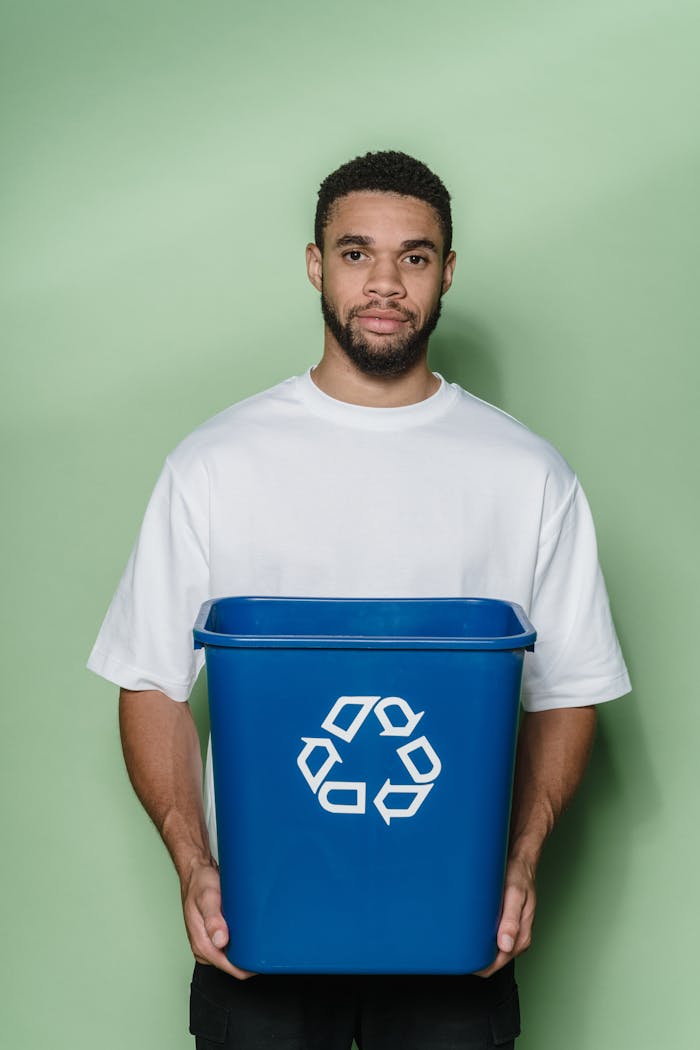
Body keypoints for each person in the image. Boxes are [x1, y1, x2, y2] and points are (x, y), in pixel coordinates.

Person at [88, 150, 630, 1049]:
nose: (385, 283)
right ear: (315, 264)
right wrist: (193, 865)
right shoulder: (217, 463)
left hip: (452, 932)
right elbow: (148, 679)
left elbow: (568, 690)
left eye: (414, 257)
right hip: (261, 927)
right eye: (355, 253)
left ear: (447, 272)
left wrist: (523, 863)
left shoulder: (525, 473)